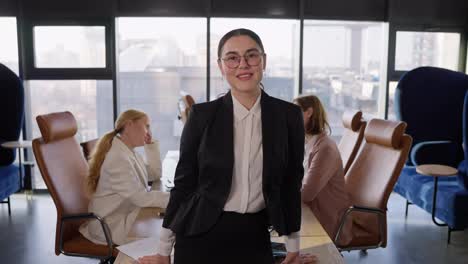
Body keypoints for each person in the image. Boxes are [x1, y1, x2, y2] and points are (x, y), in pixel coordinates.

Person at [138, 28, 315, 264]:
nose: (243, 64)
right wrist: (163, 251)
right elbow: (183, 186)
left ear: (263, 61)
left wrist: (293, 247)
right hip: (198, 232)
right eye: (232, 58)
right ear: (221, 66)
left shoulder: (288, 116)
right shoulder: (202, 115)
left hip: (254, 233)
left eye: (251, 55)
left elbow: (290, 184)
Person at [79, 109, 170, 246]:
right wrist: (176, 198)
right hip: (109, 225)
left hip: (123, 215)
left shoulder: (128, 151)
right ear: (129, 125)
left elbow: (154, 174)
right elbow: (140, 198)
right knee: (160, 237)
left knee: (161, 227)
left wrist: (150, 146)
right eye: (146, 126)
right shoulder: (118, 157)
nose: (148, 132)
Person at [293, 95, 352, 246]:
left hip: (326, 217)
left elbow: (307, 194)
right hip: (312, 210)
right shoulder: (308, 142)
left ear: (309, 112)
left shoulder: (325, 149)